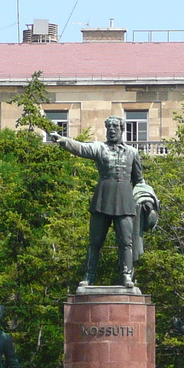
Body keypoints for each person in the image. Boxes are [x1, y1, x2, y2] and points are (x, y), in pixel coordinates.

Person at [47, 116, 152, 288]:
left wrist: (147, 196)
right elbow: (81, 147)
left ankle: (126, 276)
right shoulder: (99, 148)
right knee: (95, 242)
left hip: (125, 200)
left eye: (115, 126)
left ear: (121, 129)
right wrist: (63, 140)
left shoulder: (133, 153)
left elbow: (139, 180)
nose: (111, 129)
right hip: (103, 199)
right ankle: (89, 277)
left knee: (126, 242)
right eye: (109, 126)